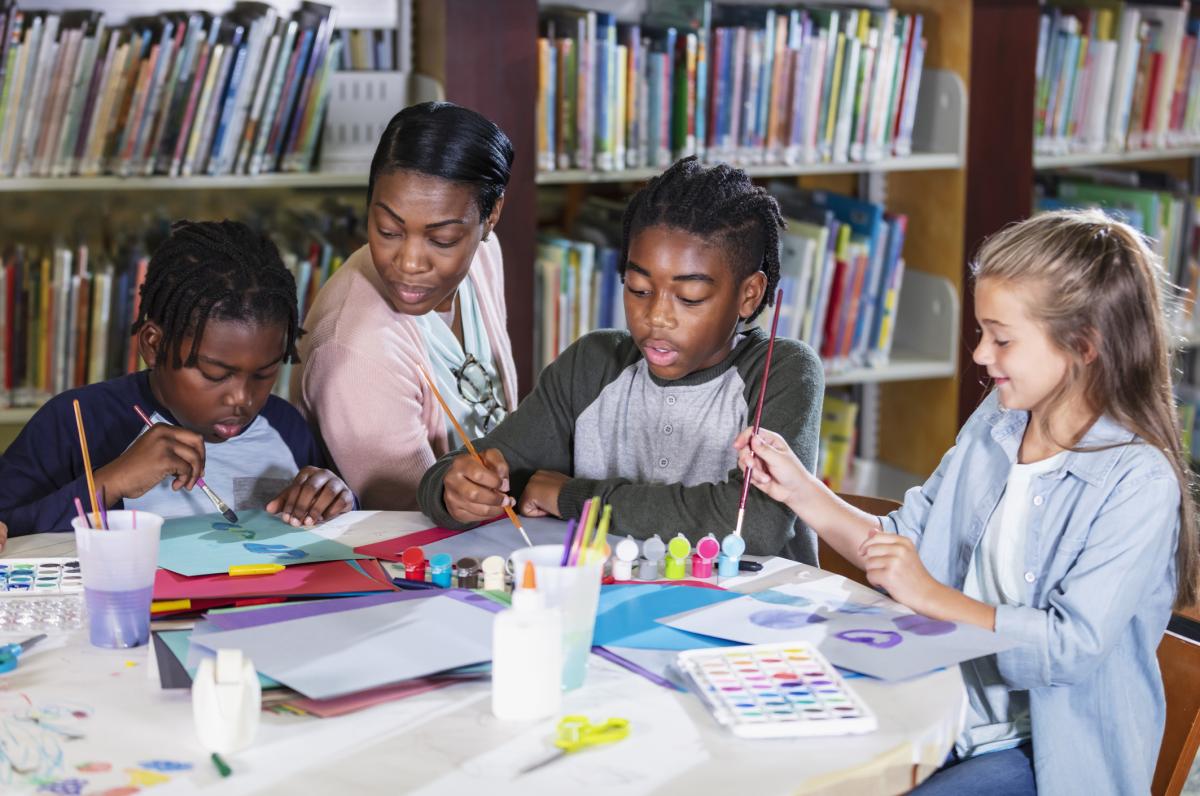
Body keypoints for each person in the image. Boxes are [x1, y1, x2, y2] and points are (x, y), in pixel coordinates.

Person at [735, 208, 1197, 793]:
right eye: (983, 332)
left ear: (1084, 345)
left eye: (1002, 338)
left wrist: (931, 595)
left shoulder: (1138, 482)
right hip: (941, 708)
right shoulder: (998, 421)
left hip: (1044, 754)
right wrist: (798, 487)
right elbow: (903, 548)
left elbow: (1067, 649)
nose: (981, 355)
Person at [419, 157, 825, 560]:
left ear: (749, 294)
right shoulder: (593, 366)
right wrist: (452, 490)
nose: (657, 317)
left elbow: (753, 524)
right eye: (638, 289)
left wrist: (575, 499)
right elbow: (486, 461)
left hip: (755, 616)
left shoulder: (783, 372)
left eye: (690, 298)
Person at [0, 220, 354, 534]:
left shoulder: (287, 428)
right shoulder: (75, 421)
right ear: (153, 345)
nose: (242, 399)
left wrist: (336, 499)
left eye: (265, 373)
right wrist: (109, 483)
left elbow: (330, 522)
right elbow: (9, 529)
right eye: (216, 374)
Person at [295, 101, 517, 510]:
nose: (410, 263)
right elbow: (412, 519)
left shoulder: (485, 254)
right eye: (388, 230)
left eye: (443, 239)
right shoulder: (354, 351)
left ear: (490, 217)